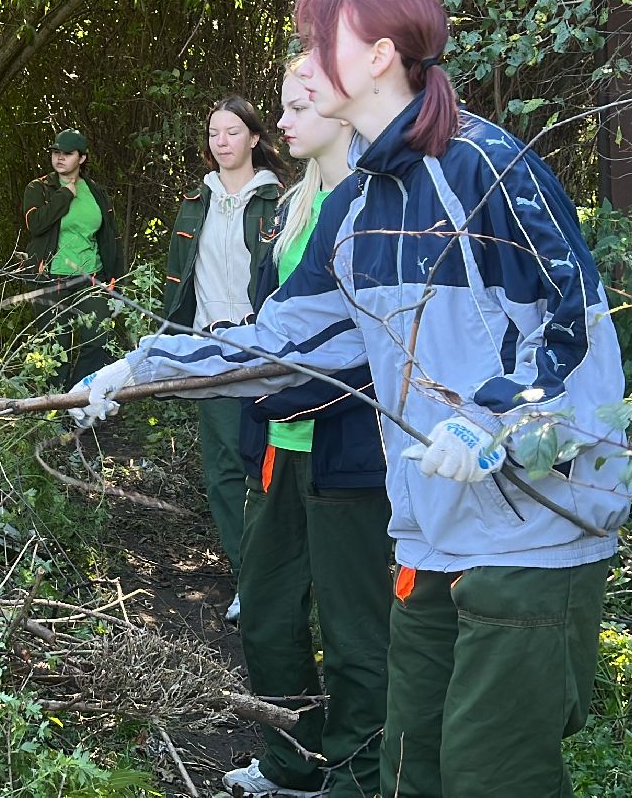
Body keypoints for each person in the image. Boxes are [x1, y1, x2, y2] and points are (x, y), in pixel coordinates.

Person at [70, 0, 631, 798]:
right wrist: (143, 367)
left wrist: (494, 418)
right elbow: (289, 344)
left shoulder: (485, 167)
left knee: (494, 776)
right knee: (413, 767)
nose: (299, 63)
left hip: (532, 529)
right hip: (430, 531)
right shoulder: (359, 204)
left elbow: (573, 325)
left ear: (378, 57)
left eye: (314, 44)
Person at [223, 59, 390, 798]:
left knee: (356, 633)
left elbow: (368, 345)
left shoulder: (375, 204)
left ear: (346, 109)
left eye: (299, 106)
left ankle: (354, 777)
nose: (282, 122)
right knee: (264, 611)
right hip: (278, 451)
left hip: (347, 454)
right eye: (282, 108)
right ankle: (291, 761)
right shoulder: (293, 208)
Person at [159, 96, 286, 622]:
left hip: (264, 347)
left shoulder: (280, 202)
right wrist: (171, 346)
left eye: (233, 132)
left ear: (255, 138)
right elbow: (178, 283)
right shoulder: (196, 202)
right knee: (222, 472)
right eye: (214, 133)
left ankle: (280, 578)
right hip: (209, 348)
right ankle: (247, 579)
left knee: (268, 468)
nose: (222, 142)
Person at [21, 129, 124, 388]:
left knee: (98, 340)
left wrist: (114, 280)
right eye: (56, 152)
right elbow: (35, 224)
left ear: (82, 158)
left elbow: (111, 237)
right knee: (56, 347)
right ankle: (53, 411)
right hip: (50, 278)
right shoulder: (39, 188)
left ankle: (77, 399)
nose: (60, 158)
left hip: (91, 277)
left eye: (68, 154)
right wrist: (65, 194)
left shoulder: (96, 193)